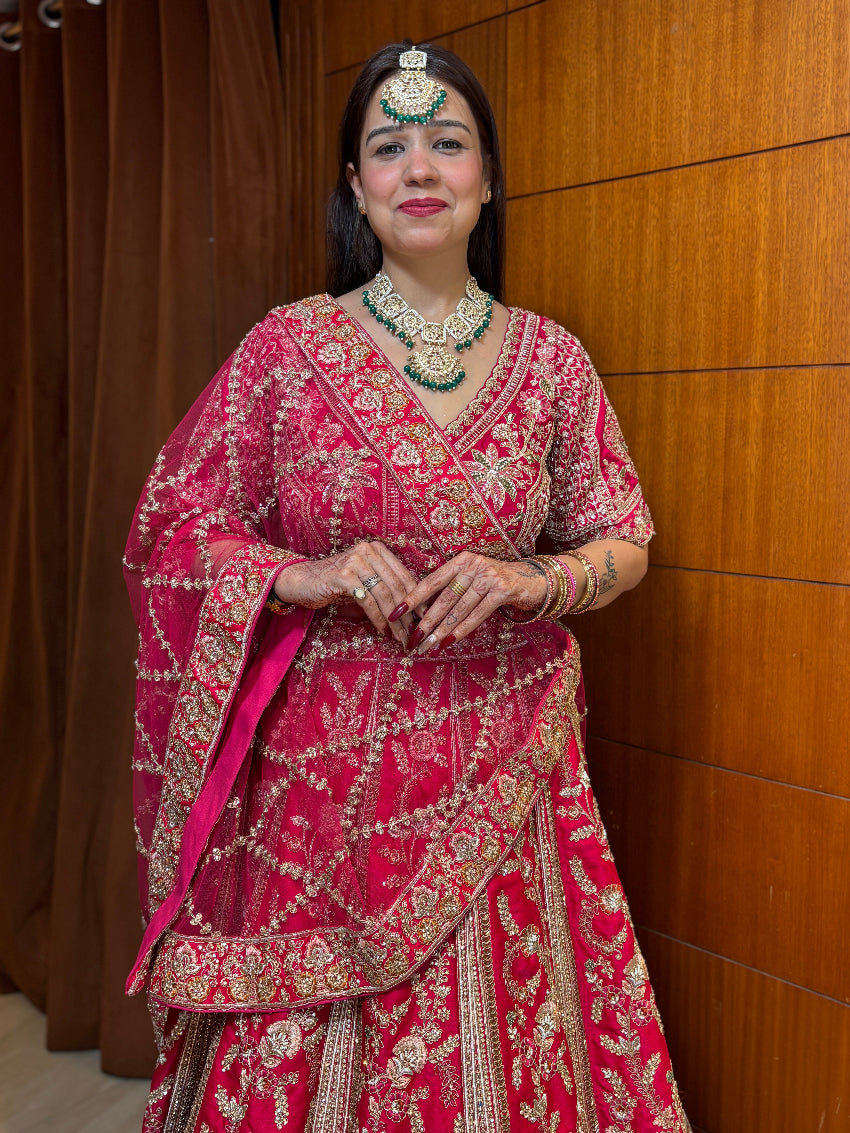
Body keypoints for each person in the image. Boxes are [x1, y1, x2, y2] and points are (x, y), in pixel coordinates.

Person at [125, 41, 690, 1133]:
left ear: (486, 178)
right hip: (317, 794)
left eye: (447, 142)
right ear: (355, 185)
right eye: (389, 145)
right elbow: (169, 528)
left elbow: (625, 540)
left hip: (507, 768)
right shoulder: (285, 350)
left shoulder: (552, 361)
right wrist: (304, 570)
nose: (418, 166)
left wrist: (527, 581)